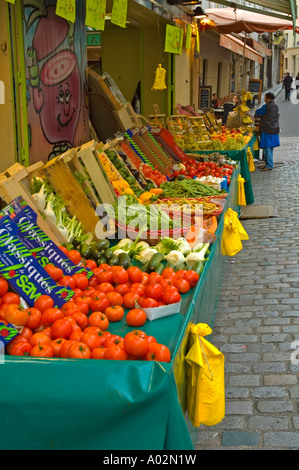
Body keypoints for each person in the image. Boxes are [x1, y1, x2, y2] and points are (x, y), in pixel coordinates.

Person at [254, 92, 280, 171]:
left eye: (265, 98)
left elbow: (258, 112)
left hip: (267, 129)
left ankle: (269, 165)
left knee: (267, 148)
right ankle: (270, 163)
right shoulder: (276, 106)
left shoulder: (266, 107)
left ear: (268, 99)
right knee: (271, 148)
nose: (264, 100)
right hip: (274, 129)